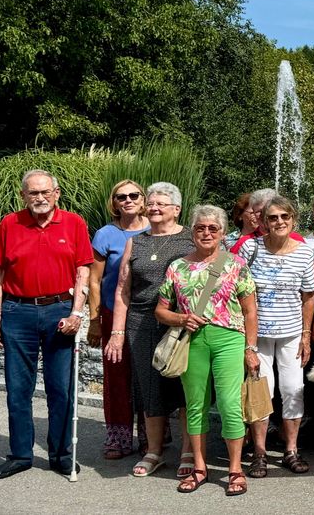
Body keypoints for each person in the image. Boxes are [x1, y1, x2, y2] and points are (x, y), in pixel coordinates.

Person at [0, 170, 93, 480]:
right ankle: (20, 454)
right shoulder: (10, 223)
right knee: (18, 389)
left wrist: (77, 314)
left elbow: (83, 272)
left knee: (60, 388)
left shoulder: (74, 223)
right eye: (33, 193)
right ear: (24, 196)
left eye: (45, 192)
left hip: (59, 309)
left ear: (56, 193)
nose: (40, 198)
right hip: (17, 312)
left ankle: (61, 454)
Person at [155, 205, 258, 496]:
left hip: (229, 340)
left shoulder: (236, 264)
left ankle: (235, 468)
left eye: (213, 228)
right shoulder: (177, 267)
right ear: (192, 231)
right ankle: (200, 467)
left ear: (222, 233)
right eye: (201, 227)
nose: (207, 232)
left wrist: (251, 348)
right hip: (193, 341)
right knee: (195, 404)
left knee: (229, 404)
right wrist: (181, 318)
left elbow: (250, 311)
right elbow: (160, 311)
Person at [112, 182, 195, 478]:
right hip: (141, 322)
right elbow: (123, 288)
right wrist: (117, 332)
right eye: (152, 203)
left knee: (186, 387)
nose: (155, 208)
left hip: (182, 323)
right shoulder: (138, 241)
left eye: (162, 203)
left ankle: (188, 450)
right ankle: (154, 451)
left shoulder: (191, 239)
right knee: (149, 389)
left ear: (177, 208)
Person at [238, 196, 314, 477]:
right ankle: (259, 452)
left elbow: (308, 296)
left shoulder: (304, 252)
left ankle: (291, 450)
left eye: (285, 216)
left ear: (293, 220)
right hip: (258, 334)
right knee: (261, 392)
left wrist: (307, 334)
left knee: (293, 389)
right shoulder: (251, 248)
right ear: (263, 222)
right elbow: (236, 287)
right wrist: (246, 343)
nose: (279, 222)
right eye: (273, 218)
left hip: (291, 332)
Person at [87, 179, 149, 460]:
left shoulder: (156, 229)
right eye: (121, 196)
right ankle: (119, 437)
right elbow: (95, 280)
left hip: (150, 313)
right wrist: (95, 319)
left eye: (134, 195)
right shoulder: (105, 235)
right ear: (114, 203)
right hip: (114, 313)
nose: (128, 200)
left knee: (149, 377)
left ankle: (152, 436)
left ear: (143, 199)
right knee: (117, 376)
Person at [230, 188, 305, 253]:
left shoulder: (296, 239)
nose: (264, 214)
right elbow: (229, 268)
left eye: (267, 210)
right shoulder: (244, 243)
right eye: (258, 211)